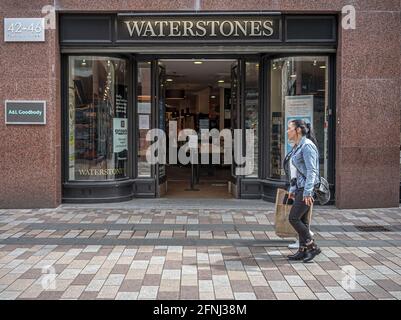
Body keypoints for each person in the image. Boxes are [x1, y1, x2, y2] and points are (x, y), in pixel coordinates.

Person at [283, 119, 321, 263]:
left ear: (298, 130)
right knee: (303, 221)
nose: (287, 131)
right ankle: (302, 251)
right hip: (300, 187)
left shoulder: (307, 146)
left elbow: (312, 171)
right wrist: (293, 189)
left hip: (306, 189)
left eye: (289, 128)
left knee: (293, 218)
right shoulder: (298, 146)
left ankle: (312, 247)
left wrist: (307, 192)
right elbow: (297, 171)